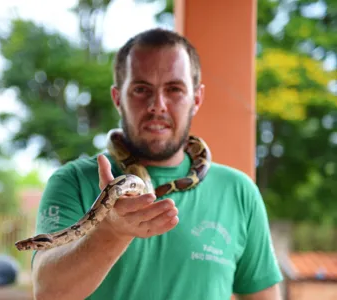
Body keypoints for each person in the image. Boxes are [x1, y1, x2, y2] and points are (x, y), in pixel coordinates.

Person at [30, 28, 284, 300]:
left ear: (196, 98)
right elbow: (48, 292)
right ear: (118, 98)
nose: (157, 105)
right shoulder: (75, 180)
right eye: (141, 89)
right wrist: (111, 232)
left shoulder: (238, 191)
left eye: (174, 89)